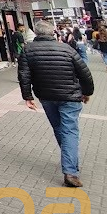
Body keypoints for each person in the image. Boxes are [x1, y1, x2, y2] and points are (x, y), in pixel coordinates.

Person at [19, 20, 94, 188]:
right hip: (70, 96)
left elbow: (24, 75)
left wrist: (27, 97)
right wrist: (87, 92)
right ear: (52, 32)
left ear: (36, 33)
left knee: (60, 129)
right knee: (69, 131)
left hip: (46, 96)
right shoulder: (66, 49)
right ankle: (70, 171)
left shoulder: (28, 50)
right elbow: (85, 72)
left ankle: (69, 164)